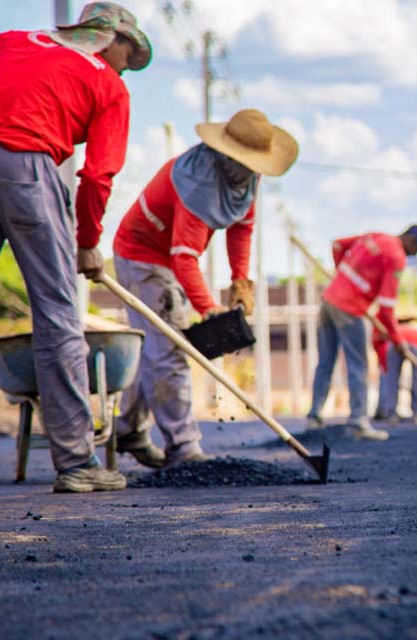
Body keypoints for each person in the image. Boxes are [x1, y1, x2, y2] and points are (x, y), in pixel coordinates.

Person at [0, 3, 151, 493]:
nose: (124, 67)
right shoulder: (109, 84)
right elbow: (98, 174)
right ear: (110, 39)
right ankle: (76, 462)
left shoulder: (20, 40)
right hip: (27, 168)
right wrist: (88, 244)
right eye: (127, 56)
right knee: (58, 314)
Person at [112, 109, 297, 467]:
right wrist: (207, 306)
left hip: (167, 258)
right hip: (143, 257)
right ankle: (183, 447)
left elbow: (242, 228)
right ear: (227, 157)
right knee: (170, 351)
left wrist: (240, 281)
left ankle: (128, 431)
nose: (253, 170)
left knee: (156, 347)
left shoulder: (245, 179)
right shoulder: (197, 183)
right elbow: (183, 256)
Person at [307, 225, 417, 440]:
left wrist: (341, 276)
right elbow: (386, 308)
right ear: (411, 240)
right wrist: (398, 341)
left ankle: (314, 417)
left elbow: (337, 245)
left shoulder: (376, 236)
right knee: (358, 366)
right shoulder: (395, 258)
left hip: (329, 301)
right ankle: (358, 422)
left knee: (325, 362)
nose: (415, 255)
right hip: (350, 309)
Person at [373, 319, 417, 425]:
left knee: (391, 379)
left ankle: (391, 414)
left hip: (395, 343)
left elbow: (385, 371)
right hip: (414, 344)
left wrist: (385, 370)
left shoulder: (389, 335)